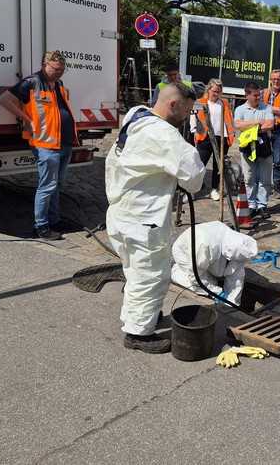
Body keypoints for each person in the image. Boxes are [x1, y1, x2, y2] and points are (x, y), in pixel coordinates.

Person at [105, 83, 205, 354]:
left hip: (121, 212)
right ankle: (138, 333)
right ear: (174, 104)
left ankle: (138, 315)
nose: (187, 116)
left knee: (135, 271)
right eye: (186, 109)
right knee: (151, 274)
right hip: (144, 219)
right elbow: (195, 178)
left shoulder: (136, 116)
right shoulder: (164, 135)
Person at [0, 50, 78, 240]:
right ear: (45, 65)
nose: (59, 73)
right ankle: (41, 227)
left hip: (64, 142)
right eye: (55, 69)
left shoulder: (58, 84)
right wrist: (27, 119)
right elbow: (3, 99)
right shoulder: (31, 82)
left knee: (57, 185)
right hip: (45, 143)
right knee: (47, 186)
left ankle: (55, 220)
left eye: (62, 70)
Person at [234, 82, 274, 217]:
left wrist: (248, 128)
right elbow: (238, 125)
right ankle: (251, 205)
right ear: (247, 95)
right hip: (247, 148)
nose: (258, 98)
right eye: (255, 95)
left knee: (265, 177)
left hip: (264, 147)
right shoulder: (240, 110)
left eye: (259, 95)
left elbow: (270, 124)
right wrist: (257, 123)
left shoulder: (267, 108)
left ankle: (262, 205)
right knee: (249, 177)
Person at [191, 78, 234, 201]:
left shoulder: (224, 103)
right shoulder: (200, 102)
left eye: (219, 91)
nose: (216, 94)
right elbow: (193, 118)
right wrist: (194, 132)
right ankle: (192, 190)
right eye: (214, 91)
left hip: (221, 138)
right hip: (205, 137)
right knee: (199, 165)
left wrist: (231, 136)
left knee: (218, 166)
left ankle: (214, 189)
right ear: (208, 90)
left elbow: (229, 119)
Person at [263, 69, 280, 198]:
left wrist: (267, 108)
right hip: (265, 130)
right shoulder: (263, 93)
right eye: (274, 79)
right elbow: (257, 106)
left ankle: (277, 188)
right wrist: (274, 110)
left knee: (277, 160)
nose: (276, 81)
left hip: (278, 130)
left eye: (278, 79)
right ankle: (265, 186)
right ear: (270, 80)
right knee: (264, 159)